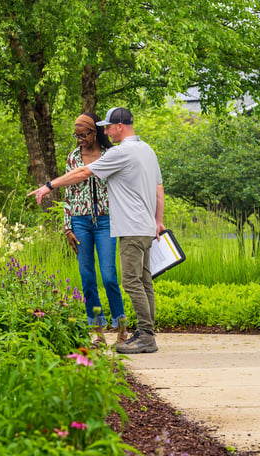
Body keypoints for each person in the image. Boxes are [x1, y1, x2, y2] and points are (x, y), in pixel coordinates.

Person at [28, 107, 165, 354]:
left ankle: (139, 333)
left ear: (118, 127)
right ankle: (105, 330)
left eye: (108, 127)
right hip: (100, 222)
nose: (106, 130)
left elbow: (83, 174)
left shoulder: (117, 153)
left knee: (121, 279)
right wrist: (158, 221)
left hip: (113, 222)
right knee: (101, 279)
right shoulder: (146, 150)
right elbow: (158, 188)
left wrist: (48, 186)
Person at [64, 112, 127, 347]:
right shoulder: (73, 158)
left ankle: (121, 328)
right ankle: (97, 330)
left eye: (84, 135)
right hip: (80, 222)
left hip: (105, 221)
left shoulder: (110, 154)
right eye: (77, 135)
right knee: (87, 277)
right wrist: (67, 227)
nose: (80, 139)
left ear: (95, 132)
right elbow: (68, 193)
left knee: (110, 275)